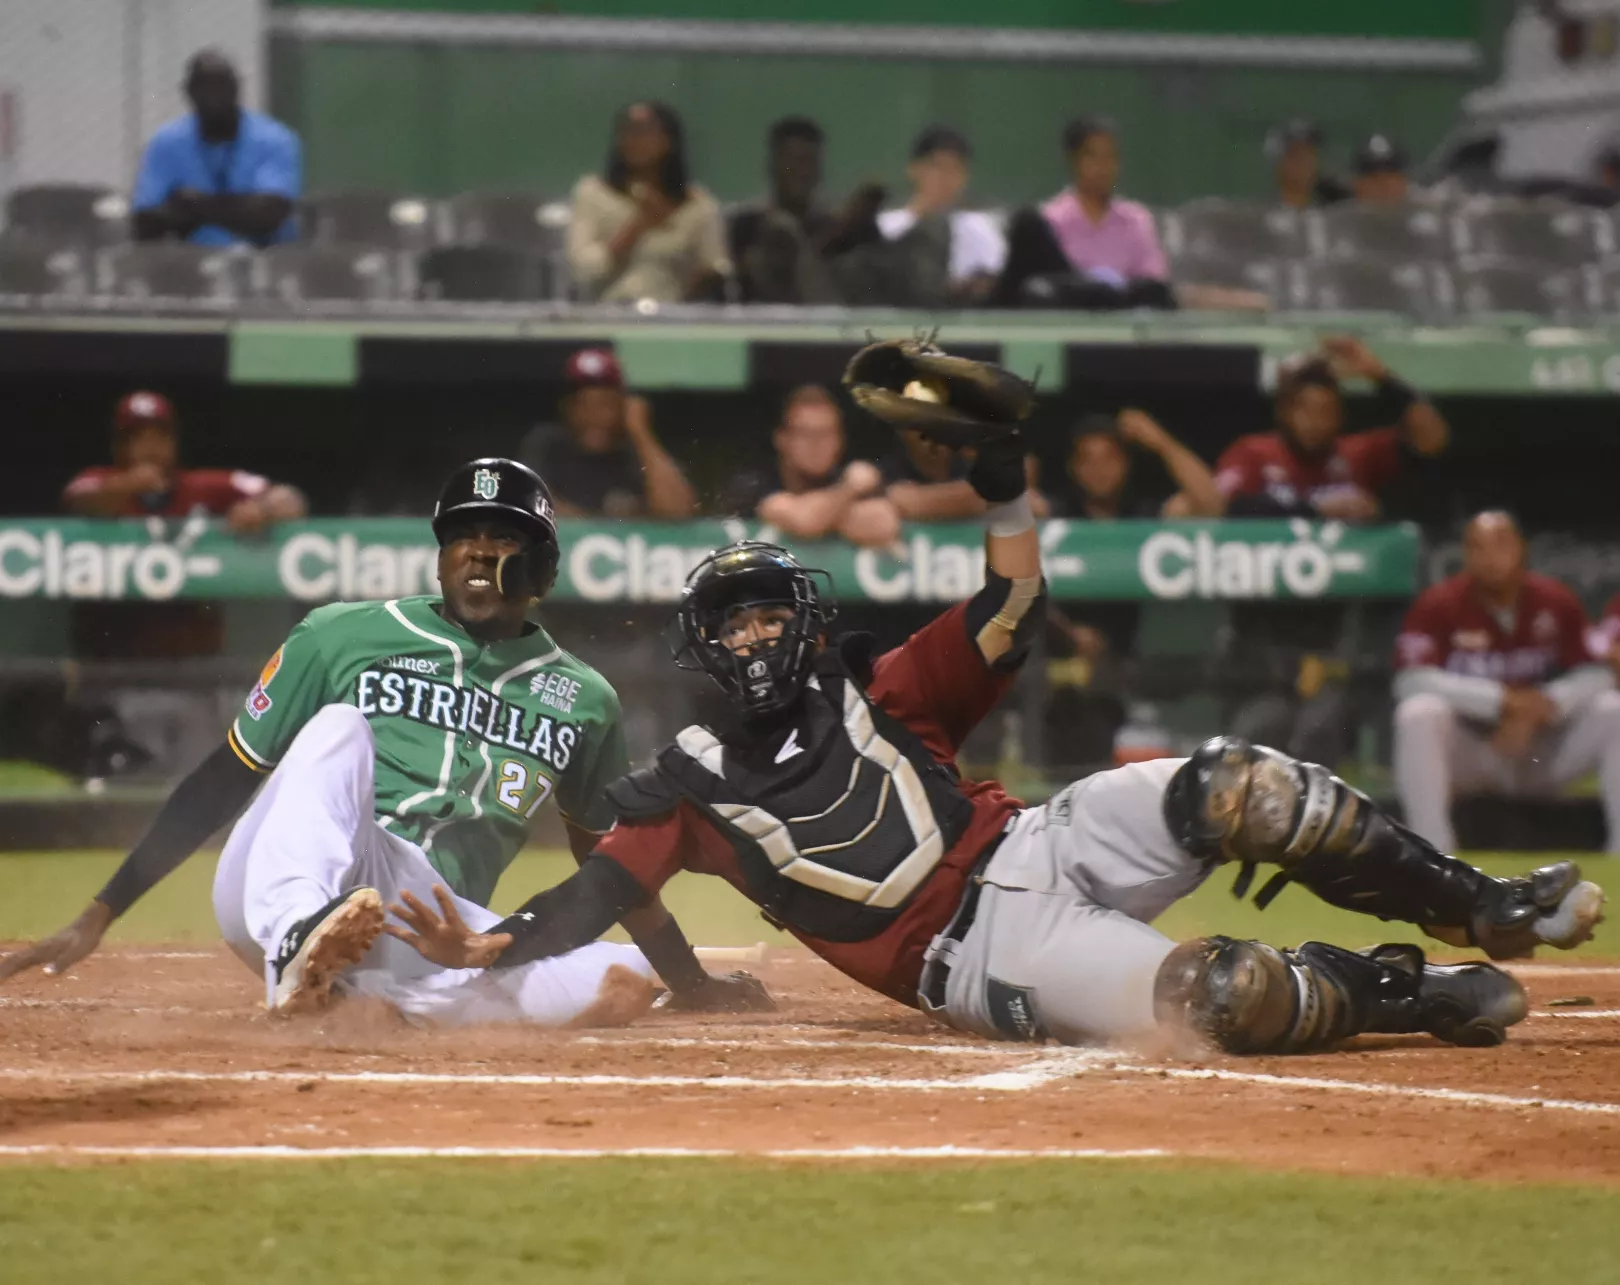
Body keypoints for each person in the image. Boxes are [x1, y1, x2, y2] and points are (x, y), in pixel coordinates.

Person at [381, 422, 1602, 1057]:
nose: (754, 636)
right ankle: (1407, 990)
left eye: (770, 611)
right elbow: (588, 899)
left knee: (1251, 786)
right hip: (971, 959)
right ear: (703, 648)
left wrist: (1006, 489)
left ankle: (1477, 902)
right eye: (731, 620)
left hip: (1043, 834)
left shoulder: (886, 686)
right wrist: (482, 946)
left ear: (806, 622)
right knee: (1222, 996)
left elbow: (1015, 609)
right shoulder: (687, 783)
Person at [0, 458, 763, 1023]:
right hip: (284, 889)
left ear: (544, 567)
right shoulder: (342, 633)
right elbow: (226, 777)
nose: (478, 551)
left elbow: (610, 868)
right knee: (338, 726)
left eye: (504, 537)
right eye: (463, 534)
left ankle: (373, 1003)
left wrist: (688, 979)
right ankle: (304, 938)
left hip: (432, 927)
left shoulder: (583, 699)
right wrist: (100, 912)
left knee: (623, 983)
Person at [1203, 336, 1450, 767]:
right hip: (1259, 630)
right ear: (1285, 412)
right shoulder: (1254, 452)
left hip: (1334, 628)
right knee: (1251, 746)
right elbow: (1232, 507)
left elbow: (1432, 438)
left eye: (1327, 412)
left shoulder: (1354, 456)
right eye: (1306, 410)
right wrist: (1316, 508)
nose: (1317, 422)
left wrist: (1380, 376)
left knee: (1320, 750)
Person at [1394, 511, 1620, 854]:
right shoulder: (1439, 604)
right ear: (1466, 555)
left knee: (1613, 710)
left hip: (1541, 751)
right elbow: (1409, 681)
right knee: (1418, 713)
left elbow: (1598, 674)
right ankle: (1432, 853)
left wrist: (1548, 703)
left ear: (1521, 549)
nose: (1490, 558)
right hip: (1473, 749)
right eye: (1477, 547)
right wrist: (1499, 700)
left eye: (1501, 545)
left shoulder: (1555, 600)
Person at [1042, 412, 1223, 770]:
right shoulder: (1056, 513)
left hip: (1128, 674)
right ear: (1074, 468)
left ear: (1126, 465)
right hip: (1055, 674)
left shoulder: (1143, 513)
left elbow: (1210, 504)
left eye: (1110, 458)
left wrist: (1161, 442)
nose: (1099, 469)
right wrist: (1067, 631)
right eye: (1088, 460)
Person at [63, 390, 306, 532]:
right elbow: (79, 500)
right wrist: (128, 485)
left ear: (175, 442)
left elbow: (290, 499)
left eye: (160, 437)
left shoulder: (201, 485)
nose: (151, 448)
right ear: (119, 447)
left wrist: (262, 510)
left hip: (190, 618)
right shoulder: (97, 479)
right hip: (113, 618)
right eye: (138, 439)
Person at [993, 116, 1172, 310]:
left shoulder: (1137, 220)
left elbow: (1153, 284)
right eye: (1092, 156)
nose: (1103, 167)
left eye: (1110, 156)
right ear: (1073, 160)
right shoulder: (1050, 222)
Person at [567, 101, 731, 304]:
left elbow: (714, 268)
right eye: (627, 131)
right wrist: (637, 227)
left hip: (673, 318)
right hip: (607, 313)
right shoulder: (593, 194)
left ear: (668, 140)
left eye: (644, 131)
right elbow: (583, 268)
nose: (633, 139)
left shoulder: (698, 205)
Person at [132, 50, 300, 247]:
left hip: (262, 262)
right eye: (205, 88)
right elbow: (144, 221)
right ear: (188, 92)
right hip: (190, 263)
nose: (214, 97)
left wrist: (194, 206)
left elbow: (271, 213)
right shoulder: (166, 142)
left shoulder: (275, 139)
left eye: (222, 87)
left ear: (237, 89)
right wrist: (239, 209)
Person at [517, 348, 696, 519]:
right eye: (583, 405)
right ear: (568, 408)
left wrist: (640, 431)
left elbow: (679, 510)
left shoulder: (636, 452)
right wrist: (604, 525)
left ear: (623, 407)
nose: (593, 416)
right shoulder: (547, 443)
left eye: (605, 405)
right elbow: (529, 502)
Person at [728, 117, 889, 304]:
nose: (801, 172)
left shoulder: (844, 229)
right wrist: (836, 234)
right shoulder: (746, 225)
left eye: (809, 162)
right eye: (792, 161)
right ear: (772, 165)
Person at [723, 385, 899, 548]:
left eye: (826, 433)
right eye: (805, 434)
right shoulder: (755, 483)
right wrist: (848, 492)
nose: (816, 444)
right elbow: (802, 520)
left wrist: (824, 517)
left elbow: (883, 524)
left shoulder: (841, 478)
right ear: (781, 439)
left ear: (840, 441)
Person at [877, 127, 1007, 307]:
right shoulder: (885, 226)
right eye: (937, 167)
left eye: (956, 169)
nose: (945, 178)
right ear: (914, 169)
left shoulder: (980, 228)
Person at [1266, 119, 1349, 209]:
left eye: (1311, 154)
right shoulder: (1261, 216)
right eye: (1297, 155)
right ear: (1280, 162)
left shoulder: (1337, 212)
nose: (1306, 163)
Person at [1351, 134, 1413, 207]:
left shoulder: (1419, 200)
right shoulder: (1348, 207)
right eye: (1373, 170)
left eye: (1389, 169)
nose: (1382, 181)